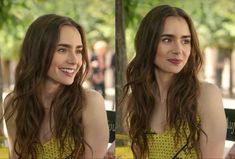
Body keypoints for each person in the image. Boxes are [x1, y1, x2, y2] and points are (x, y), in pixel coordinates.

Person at [122, 5, 227, 159]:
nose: (178, 50)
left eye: (185, 41)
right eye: (167, 39)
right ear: (148, 43)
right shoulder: (134, 102)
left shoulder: (206, 95)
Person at [0, 14, 109, 159]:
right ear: (37, 52)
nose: (74, 60)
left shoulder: (90, 102)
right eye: (62, 50)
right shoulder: (13, 104)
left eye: (78, 51)